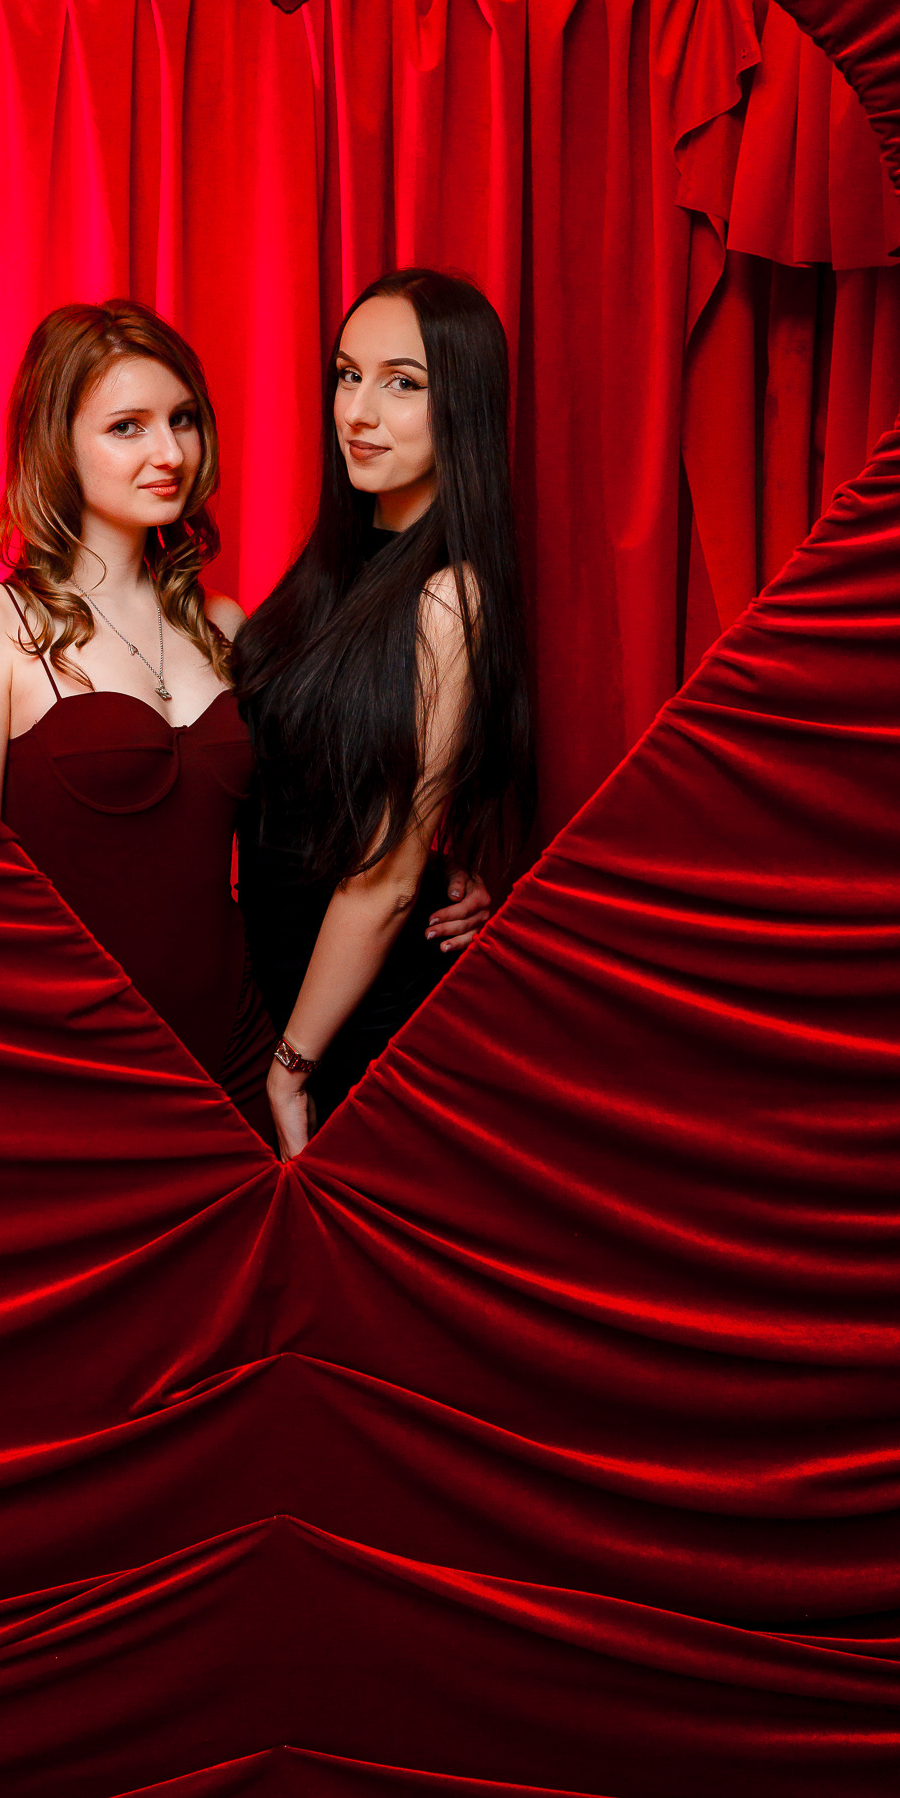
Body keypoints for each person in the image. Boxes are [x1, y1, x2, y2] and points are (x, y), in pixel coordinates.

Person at [0, 298, 493, 1153]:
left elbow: (308, 816)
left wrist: (436, 875)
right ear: (54, 443)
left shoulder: (225, 627)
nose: (169, 453)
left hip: (236, 1045)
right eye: (127, 427)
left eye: (181, 420)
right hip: (68, 1059)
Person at [233, 269, 533, 1161]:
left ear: (461, 408)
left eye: (402, 383)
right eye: (347, 375)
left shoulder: (449, 597)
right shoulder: (331, 570)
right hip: (280, 986)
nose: (358, 412)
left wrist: (291, 1066)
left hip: (355, 1023)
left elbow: (388, 876)